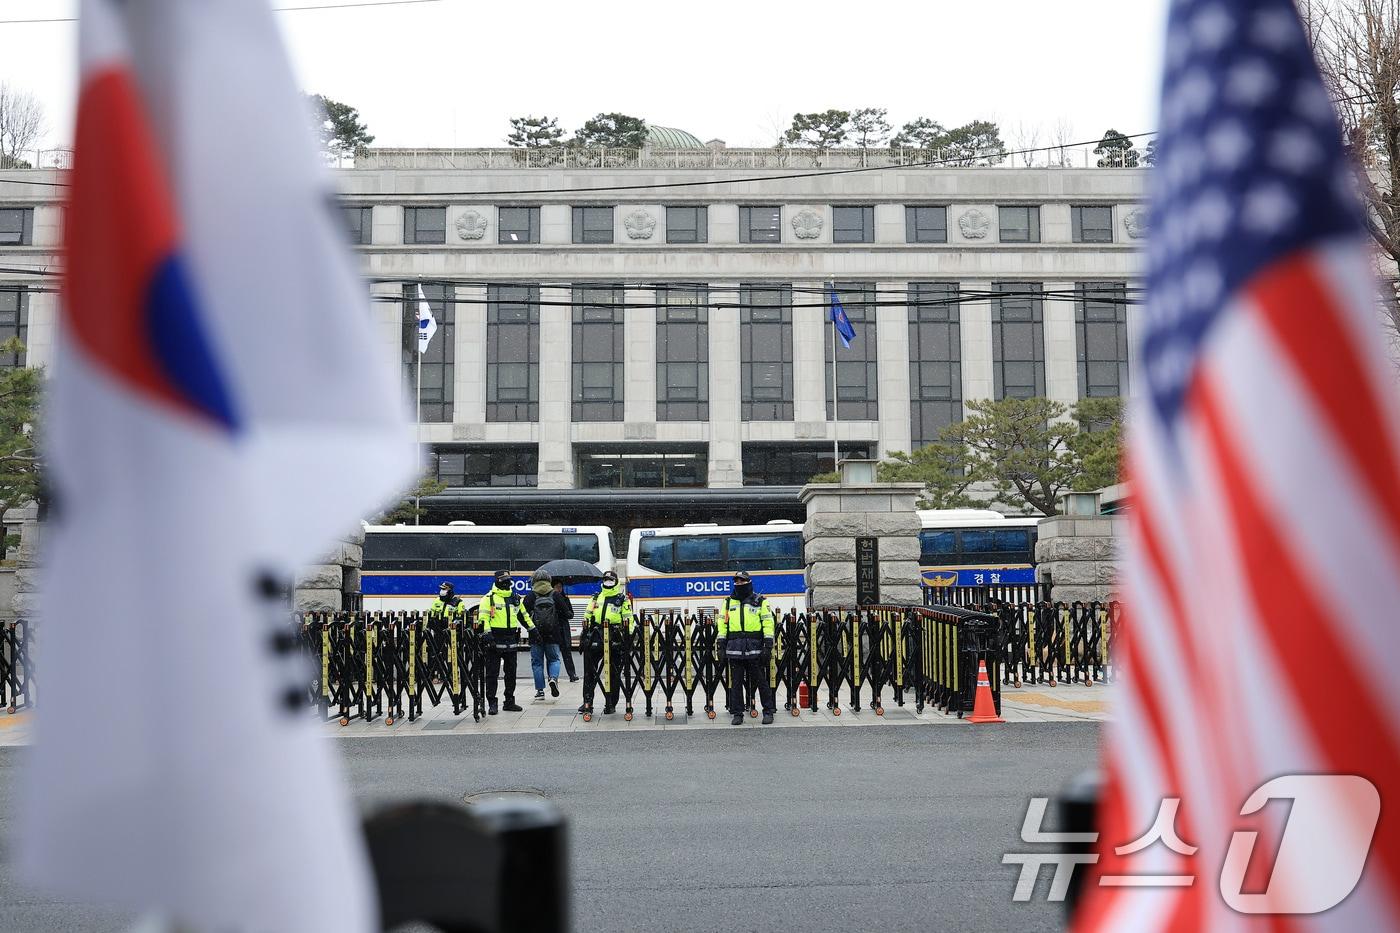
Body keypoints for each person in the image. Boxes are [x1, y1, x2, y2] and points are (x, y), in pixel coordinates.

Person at [716, 570, 776, 725]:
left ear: (748, 582)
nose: (739, 584)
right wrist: (720, 646)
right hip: (735, 649)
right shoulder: (728, 602)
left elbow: (768, 624)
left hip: (754, 649)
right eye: (736, 581)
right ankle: (738, 713)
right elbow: (722, 625)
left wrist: (768, 646)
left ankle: (768, 711)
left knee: (761, 682)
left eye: (742, 581)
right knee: (735, 684)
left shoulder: (760, 601)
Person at [476, 569, 535, 715]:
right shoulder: (488, 599)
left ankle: (509, 702)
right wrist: (488, 636)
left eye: (508, 580)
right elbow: (484, 619)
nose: (507, 583)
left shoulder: (515, 598)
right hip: (494, 640)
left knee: (511, 673)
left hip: (511, 640)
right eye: (504, 580)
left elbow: (524, 616)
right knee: (492, 674)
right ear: (497, 581)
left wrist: (533, 630)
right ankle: (492, 703)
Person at [579, 569, 632, 715]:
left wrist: (629, 636)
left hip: (614, 637)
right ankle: (587, 702)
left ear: (616, 582)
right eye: (605, 580)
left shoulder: (622, 599)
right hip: (596, 635)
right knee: (590, 672)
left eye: (610, 580)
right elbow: (587, 615)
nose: (607, 582)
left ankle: (611, 703)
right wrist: (585, 634)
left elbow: (629, 619)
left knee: (613, 673)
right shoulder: (596, 597)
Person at [522, 569, 565, 699]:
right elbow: (568, 613)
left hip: (536, 634)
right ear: (549, 580)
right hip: (553, 634)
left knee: (537, 663)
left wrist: (530, 628)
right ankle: (553, 678)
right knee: (554, 659)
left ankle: (540, 691)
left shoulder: (531, 596)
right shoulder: (555, 594)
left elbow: (520, 614)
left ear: (534, 580)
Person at [552, 578, 578, 682]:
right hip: (554, 629)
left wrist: (564, 611)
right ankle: (554, 676)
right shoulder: (551, 599)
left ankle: (572, 674)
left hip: (563, 628)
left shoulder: (565, 599)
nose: (559, 589)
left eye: (560, 587)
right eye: (557, 587)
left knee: (567, 653)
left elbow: (571, 614)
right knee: (554, 655)